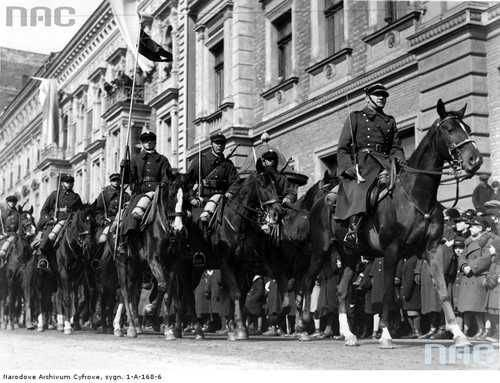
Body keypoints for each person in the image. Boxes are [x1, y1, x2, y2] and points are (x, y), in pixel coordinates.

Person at [335, 83, 405, 247]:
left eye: (384, 95)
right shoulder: (356, 117)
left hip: (386, 163)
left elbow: (396, 148)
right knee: (362, 189)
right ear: (367, 98)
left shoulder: (390, 121)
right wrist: (348, 167)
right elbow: (342, 148)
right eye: (377, 95)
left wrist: (395, 166)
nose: (382, 98)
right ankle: (353, 231)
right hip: (363, 165)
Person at [119, 131, 173, 254]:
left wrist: (162, 185)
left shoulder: (162, 159)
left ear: (155, 142)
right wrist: (124, 168)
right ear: (142, 143)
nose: (148, 142)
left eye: (151, 140)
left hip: (158, 191)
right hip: (140, 192)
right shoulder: (136, 159)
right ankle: (125, 241)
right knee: (131, 214)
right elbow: (128, 180)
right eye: (145, 141)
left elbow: (166, 176)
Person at [457, 218, 497, 339]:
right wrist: (464, 265)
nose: (470, 228)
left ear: (480, 228)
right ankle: (478, 329)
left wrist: (472, 267)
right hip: (469, 276)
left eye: (473, 226)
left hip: (479, 275)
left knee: (481, 307)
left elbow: (487, 258)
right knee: (472, 307)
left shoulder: (489, 240)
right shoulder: (468, 241)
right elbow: (462, 256)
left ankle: (485, 330)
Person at [187, 133, 240, 223]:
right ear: (211, 144)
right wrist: (191, 198)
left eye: (222, 143)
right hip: (203, 200)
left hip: (223, 200)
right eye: (217, 143)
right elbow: (188, 182)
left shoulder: (228, 164)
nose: (220, 145)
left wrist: (230, 192)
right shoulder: (200, 160)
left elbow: (235, 181)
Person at [37, 174, 83, 254]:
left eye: (71, 182)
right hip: (59, 221)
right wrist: (49, 219)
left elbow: (81, 211)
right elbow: (44, 210)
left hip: (73, 222)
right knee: (51, 236)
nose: (70, 184)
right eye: (67, 182)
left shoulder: (76, 197)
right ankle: (43, 258)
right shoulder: (55, 194)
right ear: (62, 183)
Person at [93, 173, 130, 243]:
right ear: (110, 181)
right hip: (107, 222)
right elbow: (98, 211)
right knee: (102, 240)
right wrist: (102, 220)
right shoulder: (104, 195)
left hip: (122, 221)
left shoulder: (125, 195)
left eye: (118, 180)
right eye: (114, 180)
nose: (116, 182)